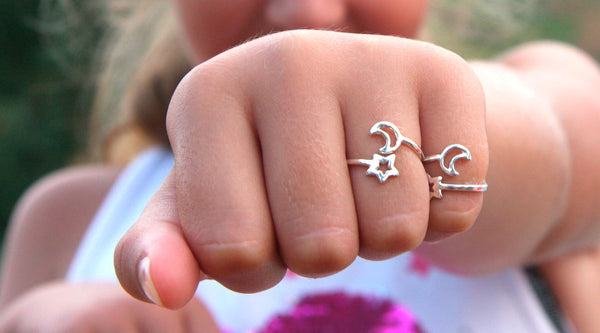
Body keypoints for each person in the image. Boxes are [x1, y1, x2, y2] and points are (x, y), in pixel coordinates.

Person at [1, 0, 599, 332]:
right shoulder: (67, 220)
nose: (306, 9)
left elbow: (563, 148)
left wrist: (449, 115)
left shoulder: (556, 99)